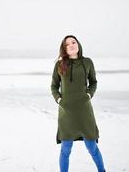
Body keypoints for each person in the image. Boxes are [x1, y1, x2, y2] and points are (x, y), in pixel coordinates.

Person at [51, 35, 106, 172]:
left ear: (78, 44)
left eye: (73, 42)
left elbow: (93, 82)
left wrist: (89, 94)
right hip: (66, 112)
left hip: (84, 111)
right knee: (66, 148)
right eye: (67, 44)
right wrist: (59, 99)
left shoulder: (87, 62)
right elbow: (53, 86)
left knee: (92, 146)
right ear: (64, 49)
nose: (71, 45)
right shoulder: (60, 64)